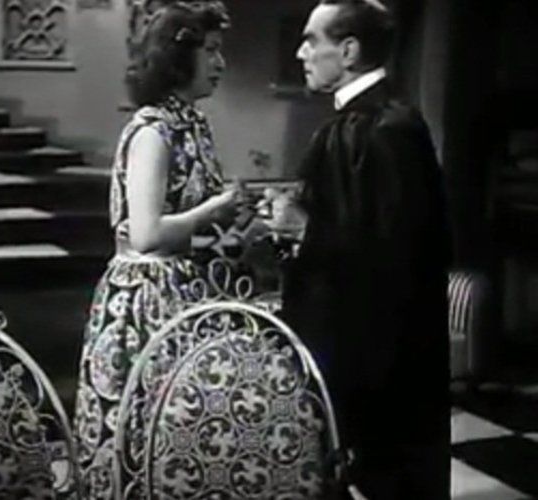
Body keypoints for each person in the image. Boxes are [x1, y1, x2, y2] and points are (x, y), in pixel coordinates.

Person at [72, 2, 249, 498]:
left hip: (183, 291)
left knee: (181, 435)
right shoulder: (153, 131)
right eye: (211, 51)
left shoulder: (192, 124)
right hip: (144, 303)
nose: (220, 63)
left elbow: (192, 220)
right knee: (141, 432)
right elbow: (146, 234)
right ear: (178, 58)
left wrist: (237, 216)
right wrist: (213, 210)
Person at [281, 1, 451, 498]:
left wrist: (306, 230)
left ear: (349, 50)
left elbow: (399, 257)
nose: (301, 53)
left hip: (378, 366)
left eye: (312, 40)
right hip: (350, 353)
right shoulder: (352, 126)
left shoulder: (389, 129)